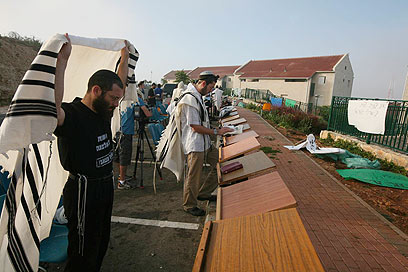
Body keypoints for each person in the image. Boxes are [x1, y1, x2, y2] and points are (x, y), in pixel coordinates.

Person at [53, 33, 129, 271]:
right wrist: (62, 62)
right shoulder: (72, 114)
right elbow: (52, 111)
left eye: (118, 99)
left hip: (104, 186)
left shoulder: (103, 110)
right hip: (83, 191)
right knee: (82, 250)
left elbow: (121, 85)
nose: (117, 103)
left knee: (100, 243)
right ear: (96, 90)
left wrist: (124, 57)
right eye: (113, 98)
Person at [179, 71, 234, 216]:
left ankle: (203, 193)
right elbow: (195, 126)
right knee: (193, 176)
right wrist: (217, 132)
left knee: (221, 164)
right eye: (210, 87)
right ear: (203, 83)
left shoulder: (198, 97)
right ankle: (189, 205)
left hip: (205, 143)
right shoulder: (190, 99)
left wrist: (216, 130)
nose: (211, 91)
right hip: (195, 145)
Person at [114, 81, 152, 189]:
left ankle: (121, 176)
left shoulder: (119, 99)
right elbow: (147, 114)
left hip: (116, 131)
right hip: (126, 132)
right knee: (124, 156)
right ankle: (122, 181)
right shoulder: (136, 100)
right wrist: (152, 112)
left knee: (117, 156)